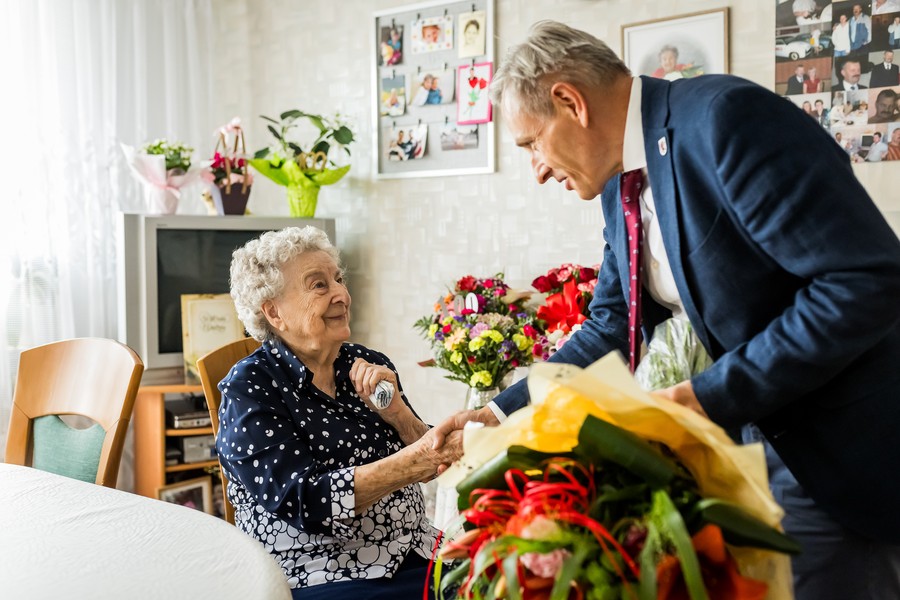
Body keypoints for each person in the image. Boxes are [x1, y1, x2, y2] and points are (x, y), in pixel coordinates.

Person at [433, 20, 900, 599]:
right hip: (748, 454)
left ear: (569, 101)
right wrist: (502, 415)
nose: (538, 169)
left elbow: (862, 280)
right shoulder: (616, 184)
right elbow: (608, 323)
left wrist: (707, 396)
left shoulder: (726, 120)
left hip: (835, 453)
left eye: (532, 143)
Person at [217, 227, 461, 598]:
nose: (341, 294)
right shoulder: (251, 386)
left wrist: (397, 414)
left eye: (339, 279)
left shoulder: (367, 364)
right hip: (322, 571)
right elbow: (304, 501)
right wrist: (417, 460)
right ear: (274, 311)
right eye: (319, 285)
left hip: (417, 550)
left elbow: (435, 463)